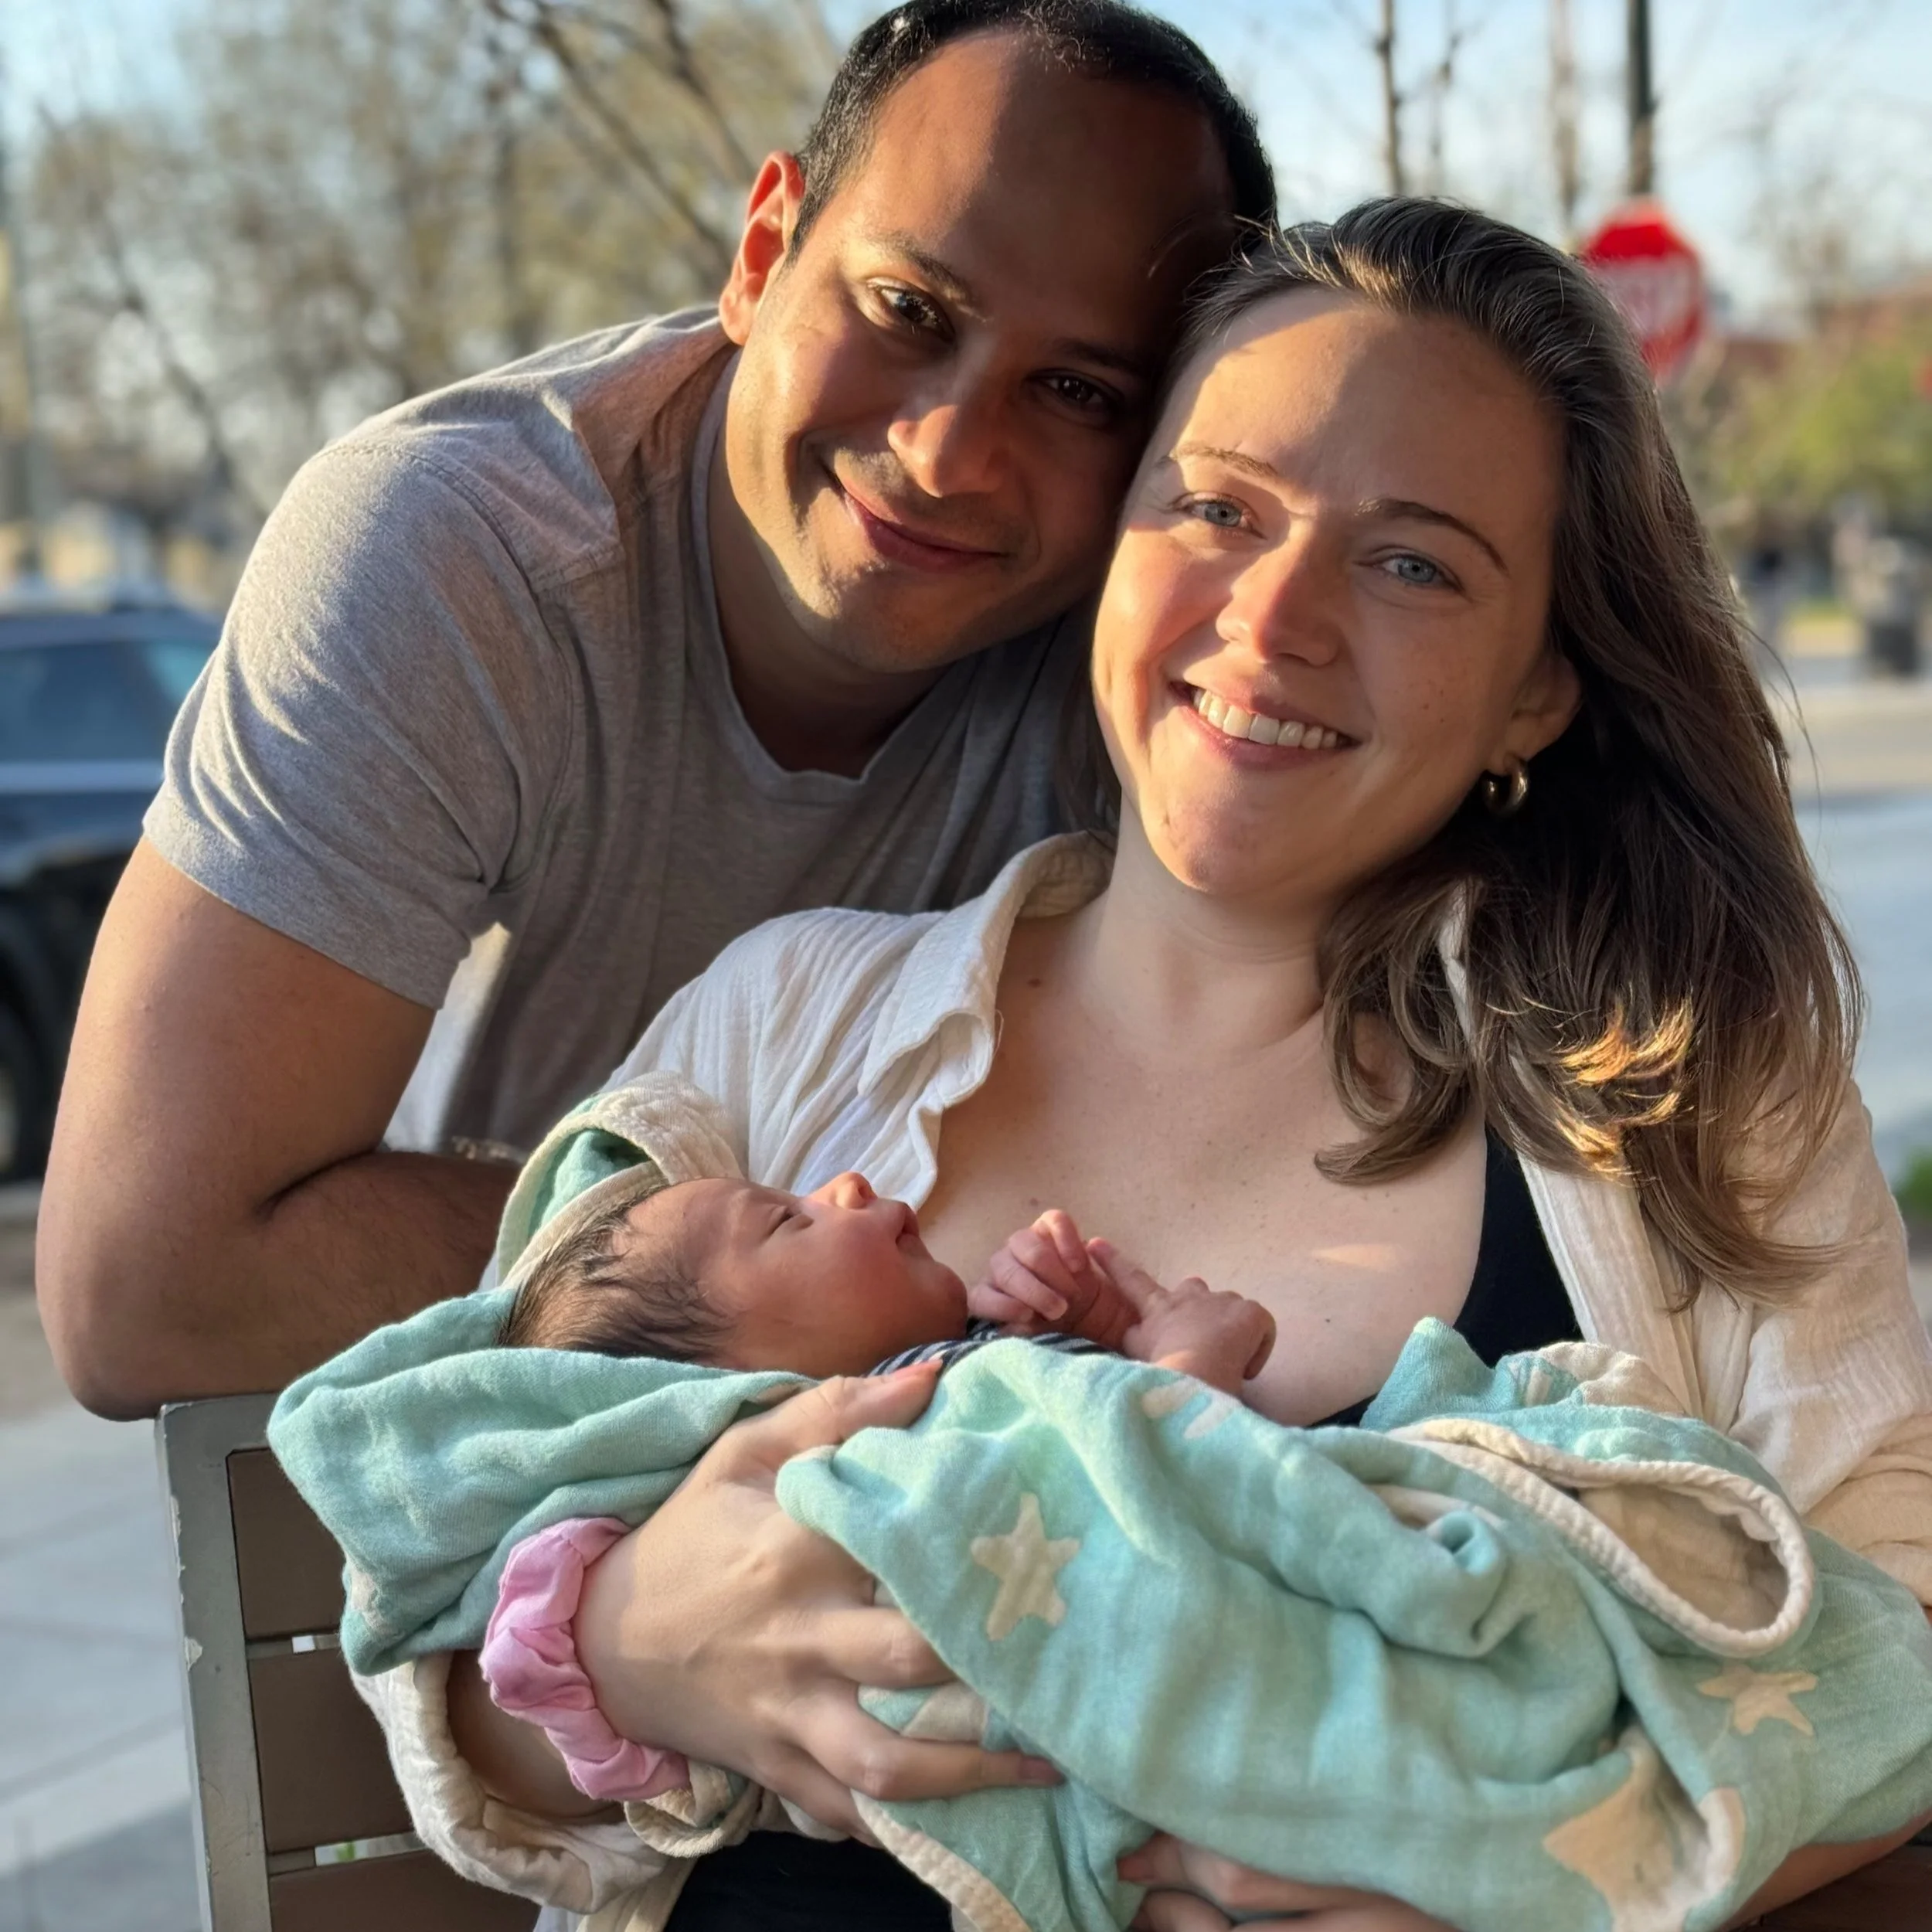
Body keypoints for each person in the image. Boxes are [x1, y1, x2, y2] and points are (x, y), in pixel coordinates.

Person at [350, 199, 1932, 1930]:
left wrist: (1568, 1890)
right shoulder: (777, 1025)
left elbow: (1897, 1652)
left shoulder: (1676, 1082)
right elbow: (457, 1600)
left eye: (1410, 561)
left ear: (1535, 690)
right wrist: (634, 1635)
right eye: (1216, 508)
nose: (1274, 616)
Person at [34, 0, 1275, 1419]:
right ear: (763, 254)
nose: (945, 455)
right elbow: (145, 1289)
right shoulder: (455, 558)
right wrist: (788, 1265)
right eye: (908, 310)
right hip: (512, 1531)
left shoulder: (1173, 659)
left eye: (1075, 389)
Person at [496, 1155, 1274, 1389]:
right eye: (787, 1219)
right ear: (746, 1383)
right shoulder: (883, 1454)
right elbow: (1130, 1516)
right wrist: (1191, 1370)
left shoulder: (955, 1375)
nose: (844, 1184)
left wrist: (1099, 1337)